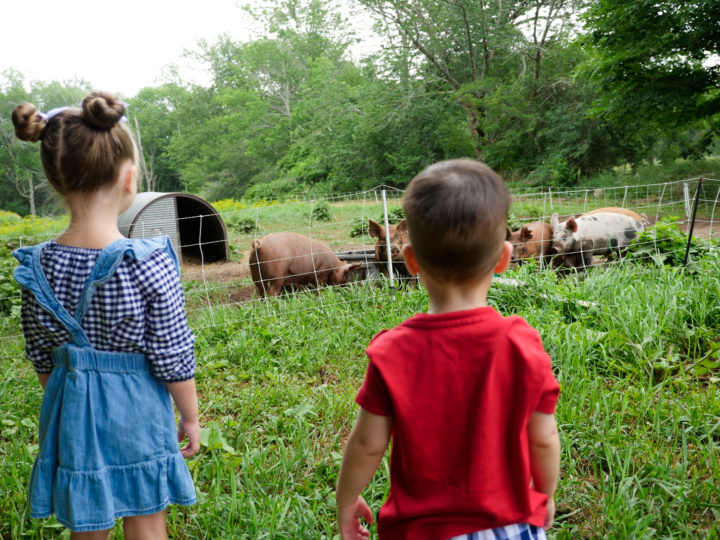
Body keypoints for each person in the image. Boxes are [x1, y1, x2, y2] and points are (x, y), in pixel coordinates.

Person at [335, 159, 561, 540]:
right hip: (510, 524)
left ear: (410, 262)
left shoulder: (392, 353)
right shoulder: (522, 344)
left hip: (422, 530)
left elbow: (366, 444)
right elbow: (543, 437)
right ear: (505, 259)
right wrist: (545, 493)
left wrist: (346, 499)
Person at [11, 92, 200, 539]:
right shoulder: (146, 261)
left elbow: (42, 355)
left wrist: (72, 394)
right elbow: (172, 352)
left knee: (87, 519)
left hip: (71, 407)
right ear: (130, 179)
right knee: (147, 517)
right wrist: (189, 415)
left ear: (55, 181)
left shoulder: (35, 266)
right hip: (137, 410)